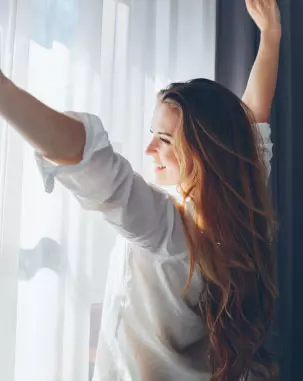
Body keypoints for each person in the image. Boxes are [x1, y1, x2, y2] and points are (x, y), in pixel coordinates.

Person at [0, 0, 281, 380]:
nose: (149, 150)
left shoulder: (170, 233)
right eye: (152, 134)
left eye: (163, 139)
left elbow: (88, 161)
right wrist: (270, 37)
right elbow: (254, 120)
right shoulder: (241, 207)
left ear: (206, 153)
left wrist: (4, 91)